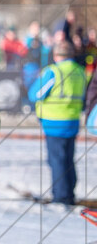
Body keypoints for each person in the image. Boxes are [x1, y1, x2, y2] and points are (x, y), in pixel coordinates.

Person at [29, 40, 87, 206]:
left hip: (54, 122)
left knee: (57, 160)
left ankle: (60, 197)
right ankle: (69, 193)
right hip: (73, 120)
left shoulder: (53, 71)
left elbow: (35, 94)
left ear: (56, 55)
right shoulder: (80, 71)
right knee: (68, 158)